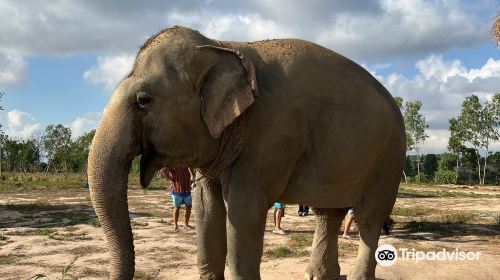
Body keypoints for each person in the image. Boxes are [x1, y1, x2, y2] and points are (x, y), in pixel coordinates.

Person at [161, 166, 194, 232]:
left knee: (189, 206)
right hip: (177, 189)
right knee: (177, 207)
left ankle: (186, 224)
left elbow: (191, 168)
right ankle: (175, 225)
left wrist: (192, 176)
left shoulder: (186, 162)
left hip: (187, 189)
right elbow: (163, 170)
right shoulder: (174, 163)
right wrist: (171, 179)